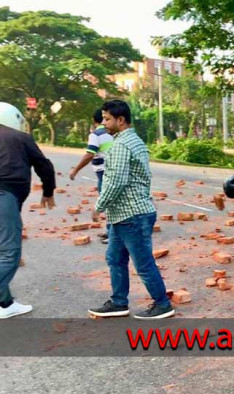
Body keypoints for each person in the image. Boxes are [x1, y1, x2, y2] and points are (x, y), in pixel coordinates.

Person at [88, 100, 173, 320]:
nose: (104, 123)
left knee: (143, 263)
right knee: (115, 258)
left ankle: (163, 304)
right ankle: (118, 303)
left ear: (121, 120)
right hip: (125, 214)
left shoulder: (121, 145)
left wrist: (99, 206)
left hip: (131, 214)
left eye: (107, 119)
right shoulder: (134, 141)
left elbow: (116, 181)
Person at [0, 102, 56, 318]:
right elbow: (44, 165)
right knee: (9, 253)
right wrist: (48, 192)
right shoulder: (21, 138)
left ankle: (5, 304)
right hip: (4, 195)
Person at [69, 109, 114, 244]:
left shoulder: (96, 134)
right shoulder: (112, 132)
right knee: (110, 203)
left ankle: (113, 236)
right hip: (112, 170)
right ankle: (109, 231)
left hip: (104, 173)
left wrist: (75, 170)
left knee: (108, 204)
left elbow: (89, 154)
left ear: (94, 121)